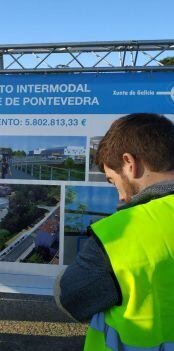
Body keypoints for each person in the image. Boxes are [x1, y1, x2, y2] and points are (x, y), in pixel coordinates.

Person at [54, 113, 174, 350]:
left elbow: (69, 298)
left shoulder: (123, 231)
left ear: (130, 163)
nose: (120, 195)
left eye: (113, 180)